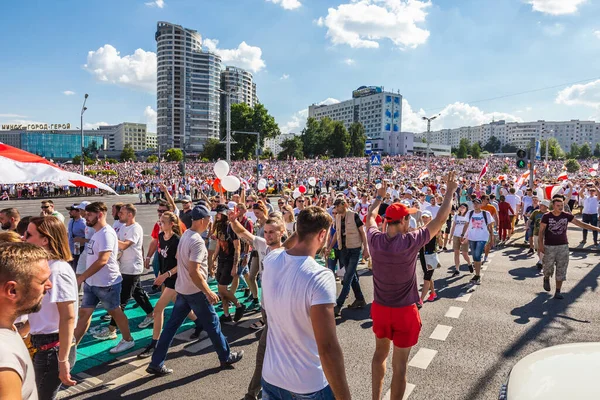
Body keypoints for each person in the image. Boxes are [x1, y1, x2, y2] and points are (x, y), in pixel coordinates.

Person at [366, 172, 458, 400]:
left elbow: (369, 216)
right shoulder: (410, 241)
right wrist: (449, 192)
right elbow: (440, 220)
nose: (411, 221)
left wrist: (379, 197)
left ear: (387, 221)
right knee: (400, 366)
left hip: (380, 307)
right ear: (404, 221)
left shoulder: (375, 239)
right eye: (409, 218)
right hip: (405, 311)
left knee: (379, 355)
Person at [261, 206, 351, 399]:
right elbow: (328, 348)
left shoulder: (271, 259)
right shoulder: (320, 276)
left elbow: (286, 247)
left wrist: (301, 227)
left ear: (297, 230)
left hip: (271, 377)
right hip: (307, 384)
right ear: (323, 234)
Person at [146, 204, 243, 376]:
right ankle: (225, 356)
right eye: (208, 219)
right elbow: (194, 271)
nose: (210, 222)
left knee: (170, 328)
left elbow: (179, 260)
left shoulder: (186, 236)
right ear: (202, 220)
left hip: (183, 290)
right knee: (213, 325)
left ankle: (156, 362)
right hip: (195, 292)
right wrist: (208, 291)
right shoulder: (196, 241)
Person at [227, 209, 287, 400]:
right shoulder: (262, 245)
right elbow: (243, 233)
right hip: (266, 308)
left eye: (272, 232)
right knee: (269, 353)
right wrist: (233, 221)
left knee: (265, 354)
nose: (268, 235)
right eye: (266, 231)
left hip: (282, 311)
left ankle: (252, 394)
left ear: (282, 232)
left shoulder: (289, 253)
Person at [24, 217, 78, 399]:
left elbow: (68, 317)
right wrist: (25, 330)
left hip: (53, 348)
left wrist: (62, 360)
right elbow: (45, 311)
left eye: (29, 234)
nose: (23, 238)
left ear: (45, 240)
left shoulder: (57, 271)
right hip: (42, 345)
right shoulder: (47, 267)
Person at [138, 211, 202, 358]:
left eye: (163, 222)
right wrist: (159, 275)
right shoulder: (161, 236)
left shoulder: (177, 240)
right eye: (159, 221)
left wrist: (165, 275)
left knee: (158, 310)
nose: (160, 224)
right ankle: (199, 322)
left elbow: (182, 264)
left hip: (175, 279)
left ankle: (155, 343)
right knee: (178, 303)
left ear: (172, 224)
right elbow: (161, 258)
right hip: (166, 278)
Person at [73, 202, 135, 354]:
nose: (86, 217)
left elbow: (103, 260)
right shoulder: (97, 233)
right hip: (92, 282)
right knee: (84, 314)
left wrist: (81, 277)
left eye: (89, 215)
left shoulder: (106, 233)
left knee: (115, 312)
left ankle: (128, 340)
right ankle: (71, 346)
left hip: (107, 283)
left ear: (100, 214)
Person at [93, 204, 155, 340]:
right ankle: (151, 314)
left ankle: (112, 329)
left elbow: (125, 245)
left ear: (130, 215)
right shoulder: (123, 227)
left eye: (122, 213)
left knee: (122, 300)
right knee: (138, 293)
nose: (118, 214)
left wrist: (110, 238)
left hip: (132, 268)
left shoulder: (135, 228)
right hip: (124, 267)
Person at [0, 242, 52, 400]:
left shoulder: (8, 327)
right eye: (42, 282)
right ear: (12, 290)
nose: (49, 286)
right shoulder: (5, 357)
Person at [538, 197, 600, 299]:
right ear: (553, 206)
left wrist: (596, 228)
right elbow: (541, 232)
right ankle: (546, 278)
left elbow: (581, 224)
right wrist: (540, 244)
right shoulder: (546, 216)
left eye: (562, 205)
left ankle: (558, 291)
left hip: (563, 246)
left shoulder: (566, 216)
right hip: (549, 246)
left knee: (561, 269)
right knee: (548, 267)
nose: (560, 207)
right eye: (558, 206)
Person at [327, 197, 370, 316]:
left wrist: (366, 248)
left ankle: (338, 305)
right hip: (343, 250)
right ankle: (360, 299)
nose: (336, 208)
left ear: (344, 204)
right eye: (335, 206)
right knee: (352, 276)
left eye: (338, 206)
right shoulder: (338, 217)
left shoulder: (354, 215)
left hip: (355, 250)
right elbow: (336, 233)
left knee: (347, 277)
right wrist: (330, 247)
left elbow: (363, 232)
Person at [212, 204, 246, 323]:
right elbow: (218, 244)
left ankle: (239, 305)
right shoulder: (219, 226)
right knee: (221, 290)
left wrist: (235, 266)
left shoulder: (231, 227)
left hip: (229, 261)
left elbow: (237, 247)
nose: (217, 215)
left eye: (219, 213)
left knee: (222, 288)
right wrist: (213, 260)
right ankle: (226, 314)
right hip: (221, 260)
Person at [461, 198, 494, 285]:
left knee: (477, 254)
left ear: (480, 204)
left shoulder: (486, 213)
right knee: (475, 256)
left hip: (482, 237)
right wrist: (462, 235)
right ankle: (477, 275)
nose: (475, 205)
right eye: (474, 203)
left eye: (477, 203)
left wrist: (492, 238)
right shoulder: (470, 213)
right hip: (472, 237)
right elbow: (466, 224)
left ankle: (478, 275)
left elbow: (490, 226)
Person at [449, 203, 472, 276]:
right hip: (456, 235)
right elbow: (453, 227)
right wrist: (450, 237)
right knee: (456, 253)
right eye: (461, 207)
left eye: (464, 207)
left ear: (466, 209)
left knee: (465, 254)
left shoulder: (468, 217)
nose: (462, 208)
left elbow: (469, 228)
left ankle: (469, 263)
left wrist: (467, 238)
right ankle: (457, 269)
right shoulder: (456, 216)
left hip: (464, 237)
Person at [529, 199, 549, 270]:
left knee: (542, 248)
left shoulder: (549, 214)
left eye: (542, 205)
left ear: (546, 206)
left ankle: (541, 261)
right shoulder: (535, 212)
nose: (540, 206)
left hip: (545, 235)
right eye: (540, 205)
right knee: (537, 248)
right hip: (536, 233)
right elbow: (530, 220)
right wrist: (527, 226)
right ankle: (541, 260)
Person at [66, 204, 86, 271]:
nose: (69, 212)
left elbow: (90, 237)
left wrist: (81, 240)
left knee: (77, 269)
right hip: (71, 250)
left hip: (79, 250)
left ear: (78, 211)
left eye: (71, 211)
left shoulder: (83, 223)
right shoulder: (71, 221)